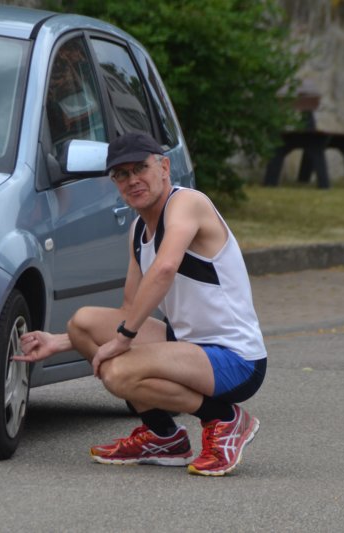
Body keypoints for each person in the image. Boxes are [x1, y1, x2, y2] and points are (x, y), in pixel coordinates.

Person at [14, 132, 267, 476]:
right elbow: (128, 310)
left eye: (140, 168)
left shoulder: (187, 203)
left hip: (235, 358)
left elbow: (164, 268)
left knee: (118, 372)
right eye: (121, 174)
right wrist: (60, 342)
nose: (132, 180)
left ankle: (223, 419)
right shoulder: (138, 230)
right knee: (83, 324)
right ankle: (163, 436)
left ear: (164, 167)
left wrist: (123, 339)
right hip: (185, 345)